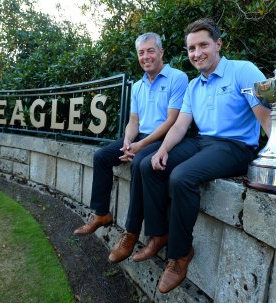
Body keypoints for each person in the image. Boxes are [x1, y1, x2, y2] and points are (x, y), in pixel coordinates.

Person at [138, 18, 276, 294]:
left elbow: (270, 121)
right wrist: (162, 150)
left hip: (234, 147)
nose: (197, 53)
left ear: (218, 44)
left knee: (181, 177)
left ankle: (180, 254)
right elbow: (181, 125)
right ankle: (159, 233)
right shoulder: (195, 86)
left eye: (203, 45)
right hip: (202, 142)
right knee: (149, 166)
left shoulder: (241, 71)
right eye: (191, 48)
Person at [73, 32, 189, 264]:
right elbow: (134, 121)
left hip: (164, 138)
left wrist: (140, 145)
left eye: (150, 51)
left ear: (161, 52)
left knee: (138, 163)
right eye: (141, 52)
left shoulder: (178, 78)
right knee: (102, 156)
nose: (145, 56)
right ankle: (101, 213)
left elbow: (172, 121)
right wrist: (127, 141)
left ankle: (131, 232)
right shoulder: (137, 86)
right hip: (141, 137)